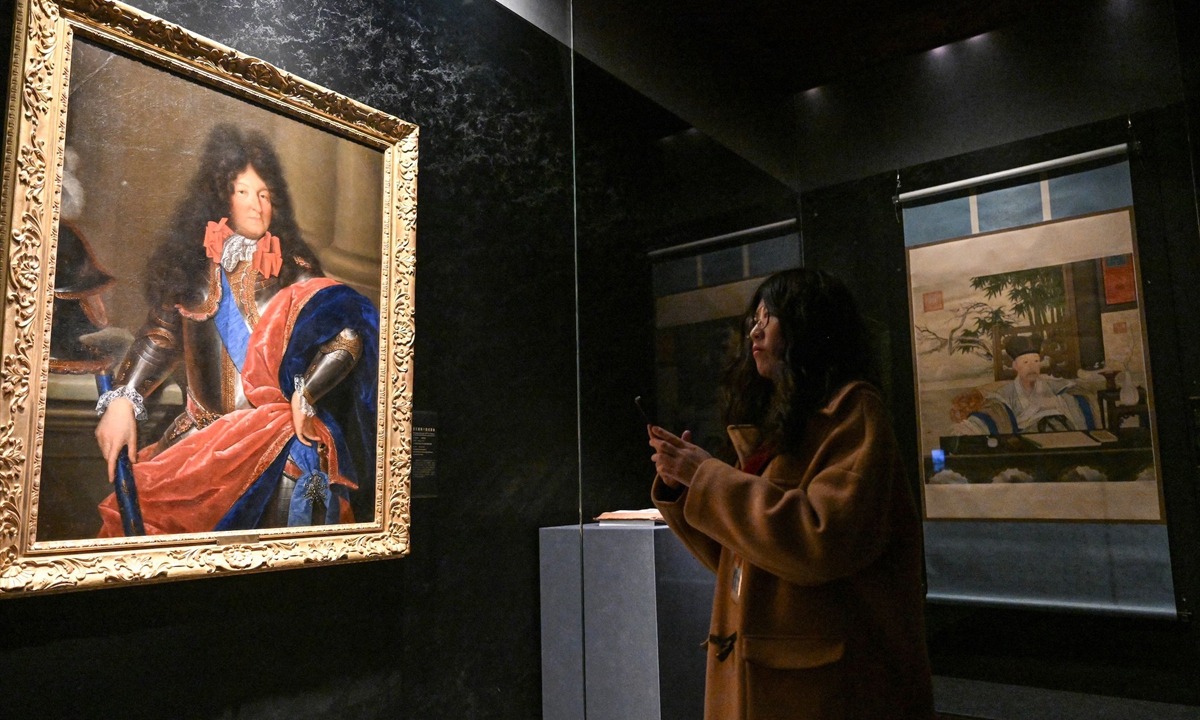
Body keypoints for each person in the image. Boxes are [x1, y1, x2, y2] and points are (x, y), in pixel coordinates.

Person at [647, 268, 933, 720]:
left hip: (822, 688)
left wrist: (706, 477)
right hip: (775, 674)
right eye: (753, 320)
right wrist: (684, 488)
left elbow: (821, 539)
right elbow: (744, 556)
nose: (754, 331)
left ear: (808, 327)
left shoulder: (853, 411)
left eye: (770, 317)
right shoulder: (782, 429)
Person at [93, 124, 379, 536]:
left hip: (273, 435)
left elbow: (346, 336)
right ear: (220, 196)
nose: (256, 206)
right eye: (244, 192)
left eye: (263, 195)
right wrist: (124, 399)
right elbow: (161, 336)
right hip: (199, 438)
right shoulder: (191, 267)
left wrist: (308, 392)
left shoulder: (294, 268)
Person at [951, 334, 1095, 436]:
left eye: (1036, 362)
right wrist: (972, 427)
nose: (1032, 367)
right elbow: (992, 413)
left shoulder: (1053, 386)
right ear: (1015, 366)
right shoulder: (1005, 393)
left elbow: (1080, 394)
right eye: (1025, 362)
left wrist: (1056, 402)